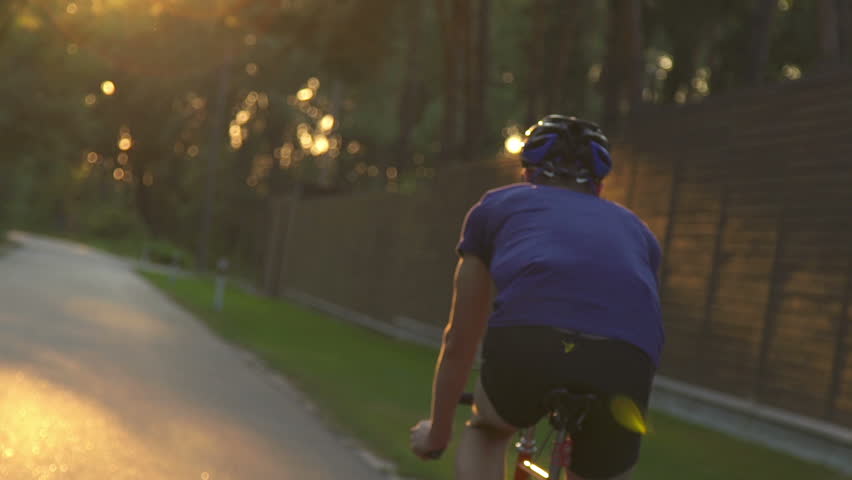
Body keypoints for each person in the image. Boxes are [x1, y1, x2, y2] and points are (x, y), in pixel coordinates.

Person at [410, 114, 663, 480]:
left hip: (528, 344)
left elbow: (460, 338)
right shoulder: (638, 232)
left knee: (488, 431)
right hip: (626, 361)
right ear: (599, 187)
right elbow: (640, 314)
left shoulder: (496, 207)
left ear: (527, 174)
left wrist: (436, 435)